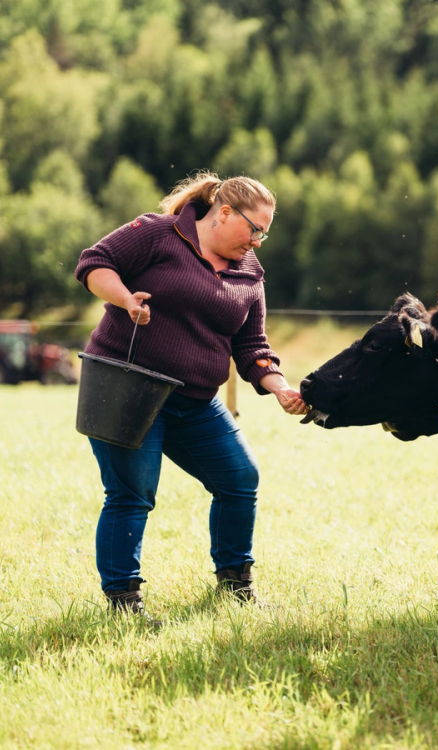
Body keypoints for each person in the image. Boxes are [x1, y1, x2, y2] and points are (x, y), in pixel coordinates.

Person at [74, 172, 308, 622]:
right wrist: (126, 300)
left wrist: (279, 386)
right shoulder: (159, 234)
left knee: (240, 478)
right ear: (223, 212)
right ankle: (124, 604)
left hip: (195, 402)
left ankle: (236, 586)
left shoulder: (250, 274)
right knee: (132, 494)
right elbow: (94, 262)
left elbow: (252, 346)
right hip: (128, 390)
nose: (259, 241)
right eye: (254, 229)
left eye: (266, 233)